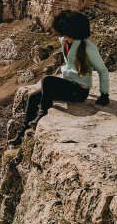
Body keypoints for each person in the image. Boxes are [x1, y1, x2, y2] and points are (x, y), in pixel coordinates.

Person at [9, 10, 110, 146]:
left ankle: (43, 112)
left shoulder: (88, 48)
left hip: (78, 91)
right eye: (64, 34)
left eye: (68, 35)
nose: (65, 37)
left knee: (47, 81)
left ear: (76, 32)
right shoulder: (65, 42)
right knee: (33, 97)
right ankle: (22, 133)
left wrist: (104, 94)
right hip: (67, 86)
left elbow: (103, 71)